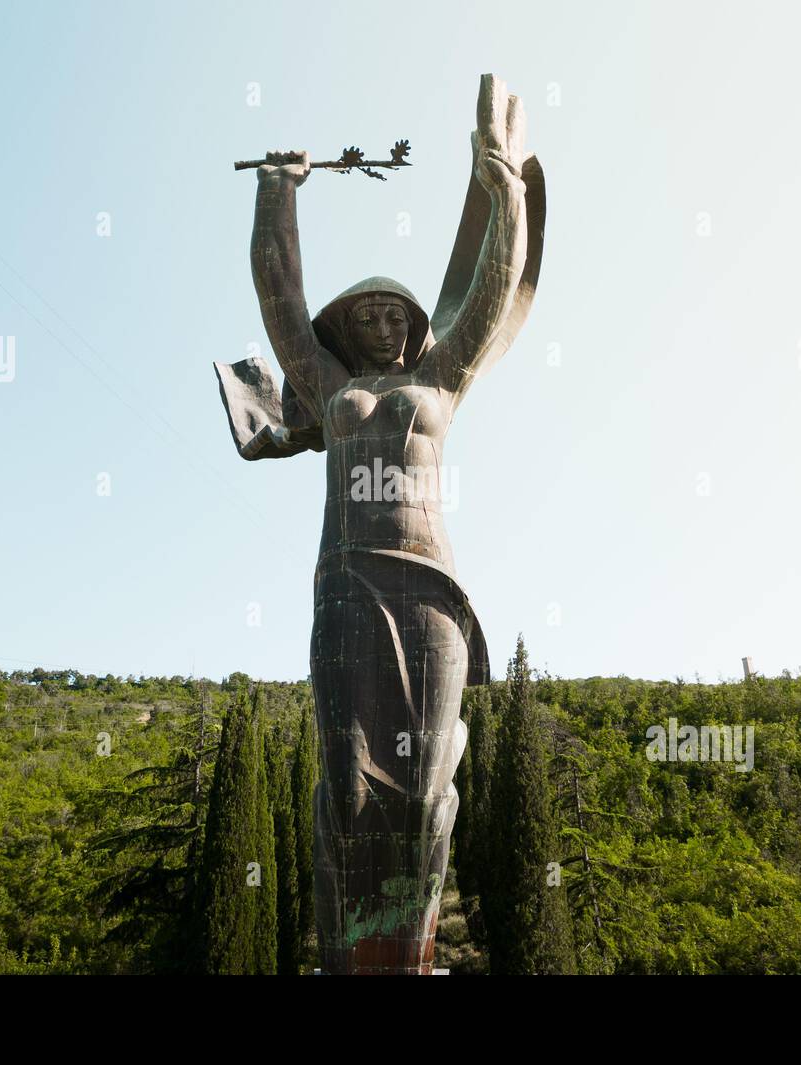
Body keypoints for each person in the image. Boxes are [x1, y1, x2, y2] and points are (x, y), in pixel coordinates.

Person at [226, 73, 545, 973]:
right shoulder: (331, 391)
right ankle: (351, 959)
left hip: (431, 591)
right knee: (352, 788)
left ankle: (407, 957)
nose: (376, 319)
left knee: (425, 788)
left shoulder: (441, 381)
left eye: (391, 311)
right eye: (361, 312)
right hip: (348, 585)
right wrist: (276, 192)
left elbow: (491, 286)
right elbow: (279, 296)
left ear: (412, 327)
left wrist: (502, 187)